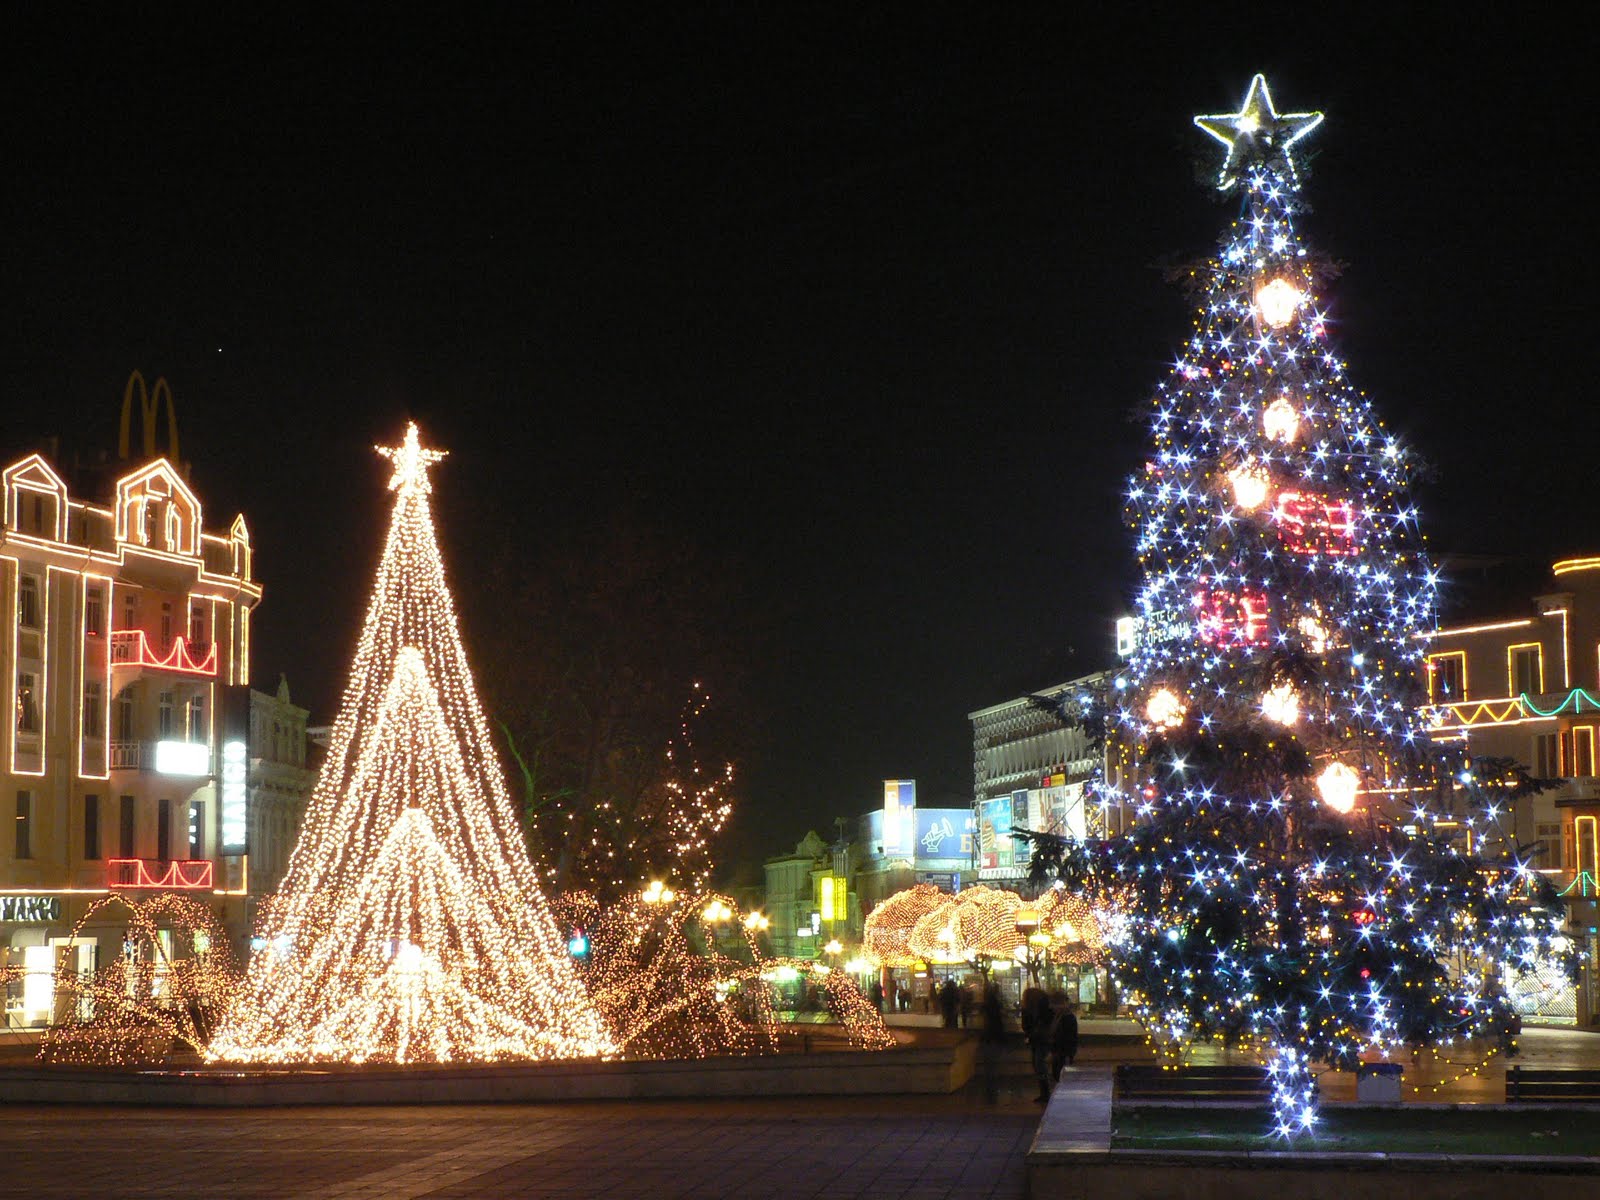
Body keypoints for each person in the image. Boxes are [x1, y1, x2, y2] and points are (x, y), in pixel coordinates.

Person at [1021, 986, 1053, 1102]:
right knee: (1039, 1064)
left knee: (1038, 1064)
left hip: (1037, 1040)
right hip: (1041, 1039)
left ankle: (1045, 1092)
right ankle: (1045, 1092)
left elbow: (1025, 1025)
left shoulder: (1030, 1010)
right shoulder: (1045, 1008)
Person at [979, 983, 1007, 1103]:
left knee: (989, 1065)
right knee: (993, 1065)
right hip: (995, 1037)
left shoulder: (987, 1006)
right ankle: (992, 1088)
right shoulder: (997, 1005)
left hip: (989, 1038)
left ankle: (990, 1089)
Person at [1049, 999, 1079, 1083]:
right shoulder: (1061, 1016)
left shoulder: (1066, 1018)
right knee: (1058, 1072)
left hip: (1062, 1050)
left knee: (1060, 1073)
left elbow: (1068, 1036)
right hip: (1060, 1050)